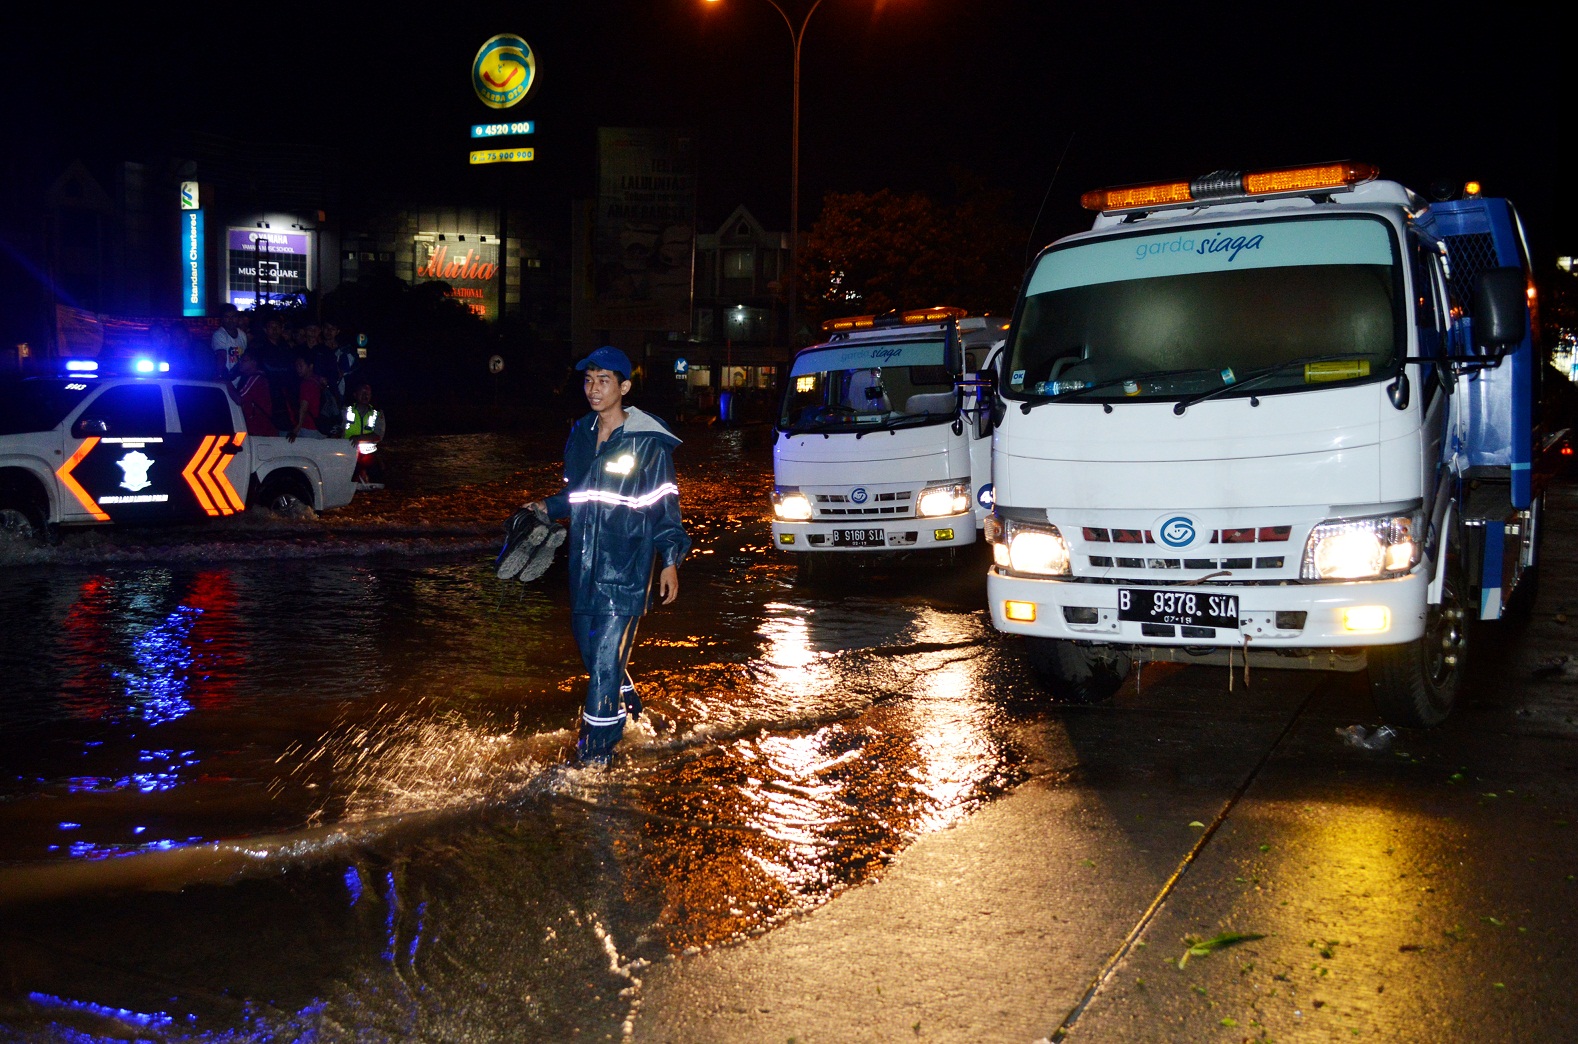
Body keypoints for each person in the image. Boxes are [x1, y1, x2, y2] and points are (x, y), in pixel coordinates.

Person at [527, 346, 690, 767]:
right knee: (593, 654)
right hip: (583, 566)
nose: (593, 389)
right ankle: (633, 714)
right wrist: (545, 507)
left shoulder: (648, 442)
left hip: (628, 568)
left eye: (603, 381)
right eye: (587, 380)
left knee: (603, 664)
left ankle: (594, 757)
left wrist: (670, 559)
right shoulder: (580, 433)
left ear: (624, 387)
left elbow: (664, 504)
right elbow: (578, 496)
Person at [343, 381, 386, 487]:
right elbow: (337, 430)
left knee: (378, 480)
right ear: (355, 395)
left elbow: (379, 435)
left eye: (367, 393)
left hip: (369, 455)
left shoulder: (377, 412)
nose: (365, 396)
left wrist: (360, 438)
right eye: (362, 393)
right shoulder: (345, 410)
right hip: (347, 453)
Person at [227, 352, 277, 435]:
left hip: (260, 431)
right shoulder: (257, 377)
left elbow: (239, 399)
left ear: (254, 362)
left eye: (244, 360)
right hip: (260, 430)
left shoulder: (256, 378)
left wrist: (227, 382)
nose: (240, 363)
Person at [287, 355, 326, 441]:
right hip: (321, 427)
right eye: (296, 366)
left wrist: (297, 428)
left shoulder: (307, 384)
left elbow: (303, 407)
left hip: (308, 427)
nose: (298, 368)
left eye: (301, 365)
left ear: (310, 366)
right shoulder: (319, 380)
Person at [210, 305, 248, 377]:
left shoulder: (242, 334)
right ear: (222, 319)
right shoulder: (219, 335)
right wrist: (225, 377)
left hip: (241, 381)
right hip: (227, 380)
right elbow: (221, 356)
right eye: (227, 317)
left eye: (233, 317)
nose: (231, 320)